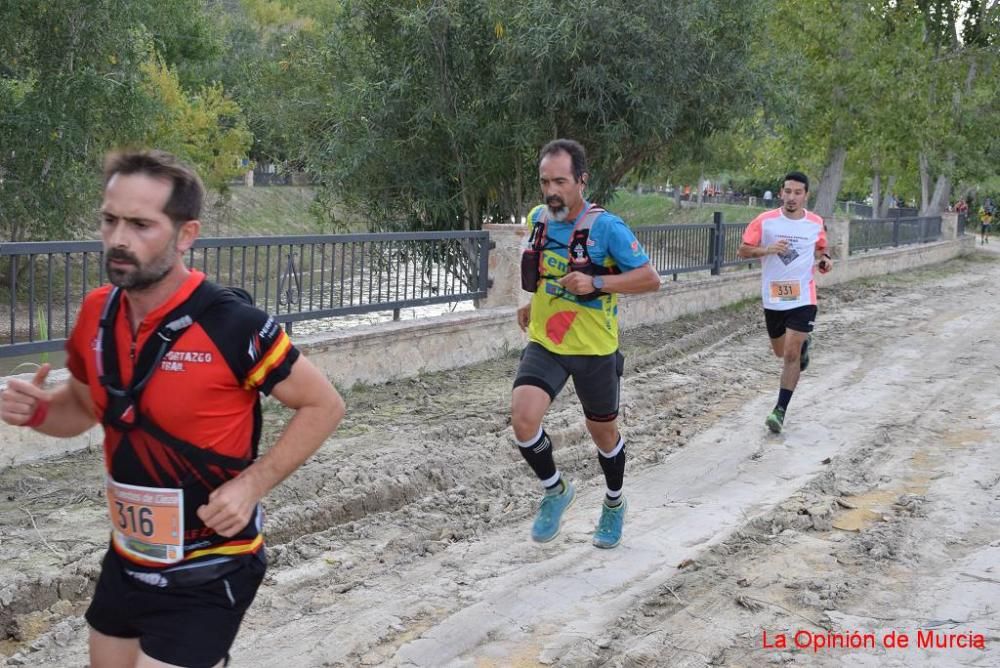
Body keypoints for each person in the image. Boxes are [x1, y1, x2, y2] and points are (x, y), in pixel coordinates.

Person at [0, 150, 345, 668]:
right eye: (110, 220)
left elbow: (324, 404)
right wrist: (38, 411)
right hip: (130, 556)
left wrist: (252, 484)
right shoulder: (98, 310)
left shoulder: (234, 324)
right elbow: (83, 409)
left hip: (213, 562)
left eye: (141, 224)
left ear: (186, 235)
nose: (119, 238)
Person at [512, 139, 661, 549]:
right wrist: (530, 302)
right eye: (545, 182)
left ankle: (614, 504)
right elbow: (545, 270)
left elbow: (650, 278)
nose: (551, 191)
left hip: (594, 349)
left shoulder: (607, 228)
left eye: (560, 181)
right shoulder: (538, 218)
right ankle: (555, 491)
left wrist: (597, 282)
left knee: (603, 434)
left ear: (581, 180)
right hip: (547, 341)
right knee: (523, 419)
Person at [737, 171, 831, 434]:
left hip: (804, 297)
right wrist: (766, 250)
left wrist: (825, 260)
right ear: (781, 193)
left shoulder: (815, 222)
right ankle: (802, 348)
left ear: (805, 195)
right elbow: (743, 250)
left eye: (797, 193)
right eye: (787, 192)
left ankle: (779, 411)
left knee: (790, 355)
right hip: (774, 298)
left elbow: (821, 249)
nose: (792, 197)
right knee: (781, 352)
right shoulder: (765, 221)